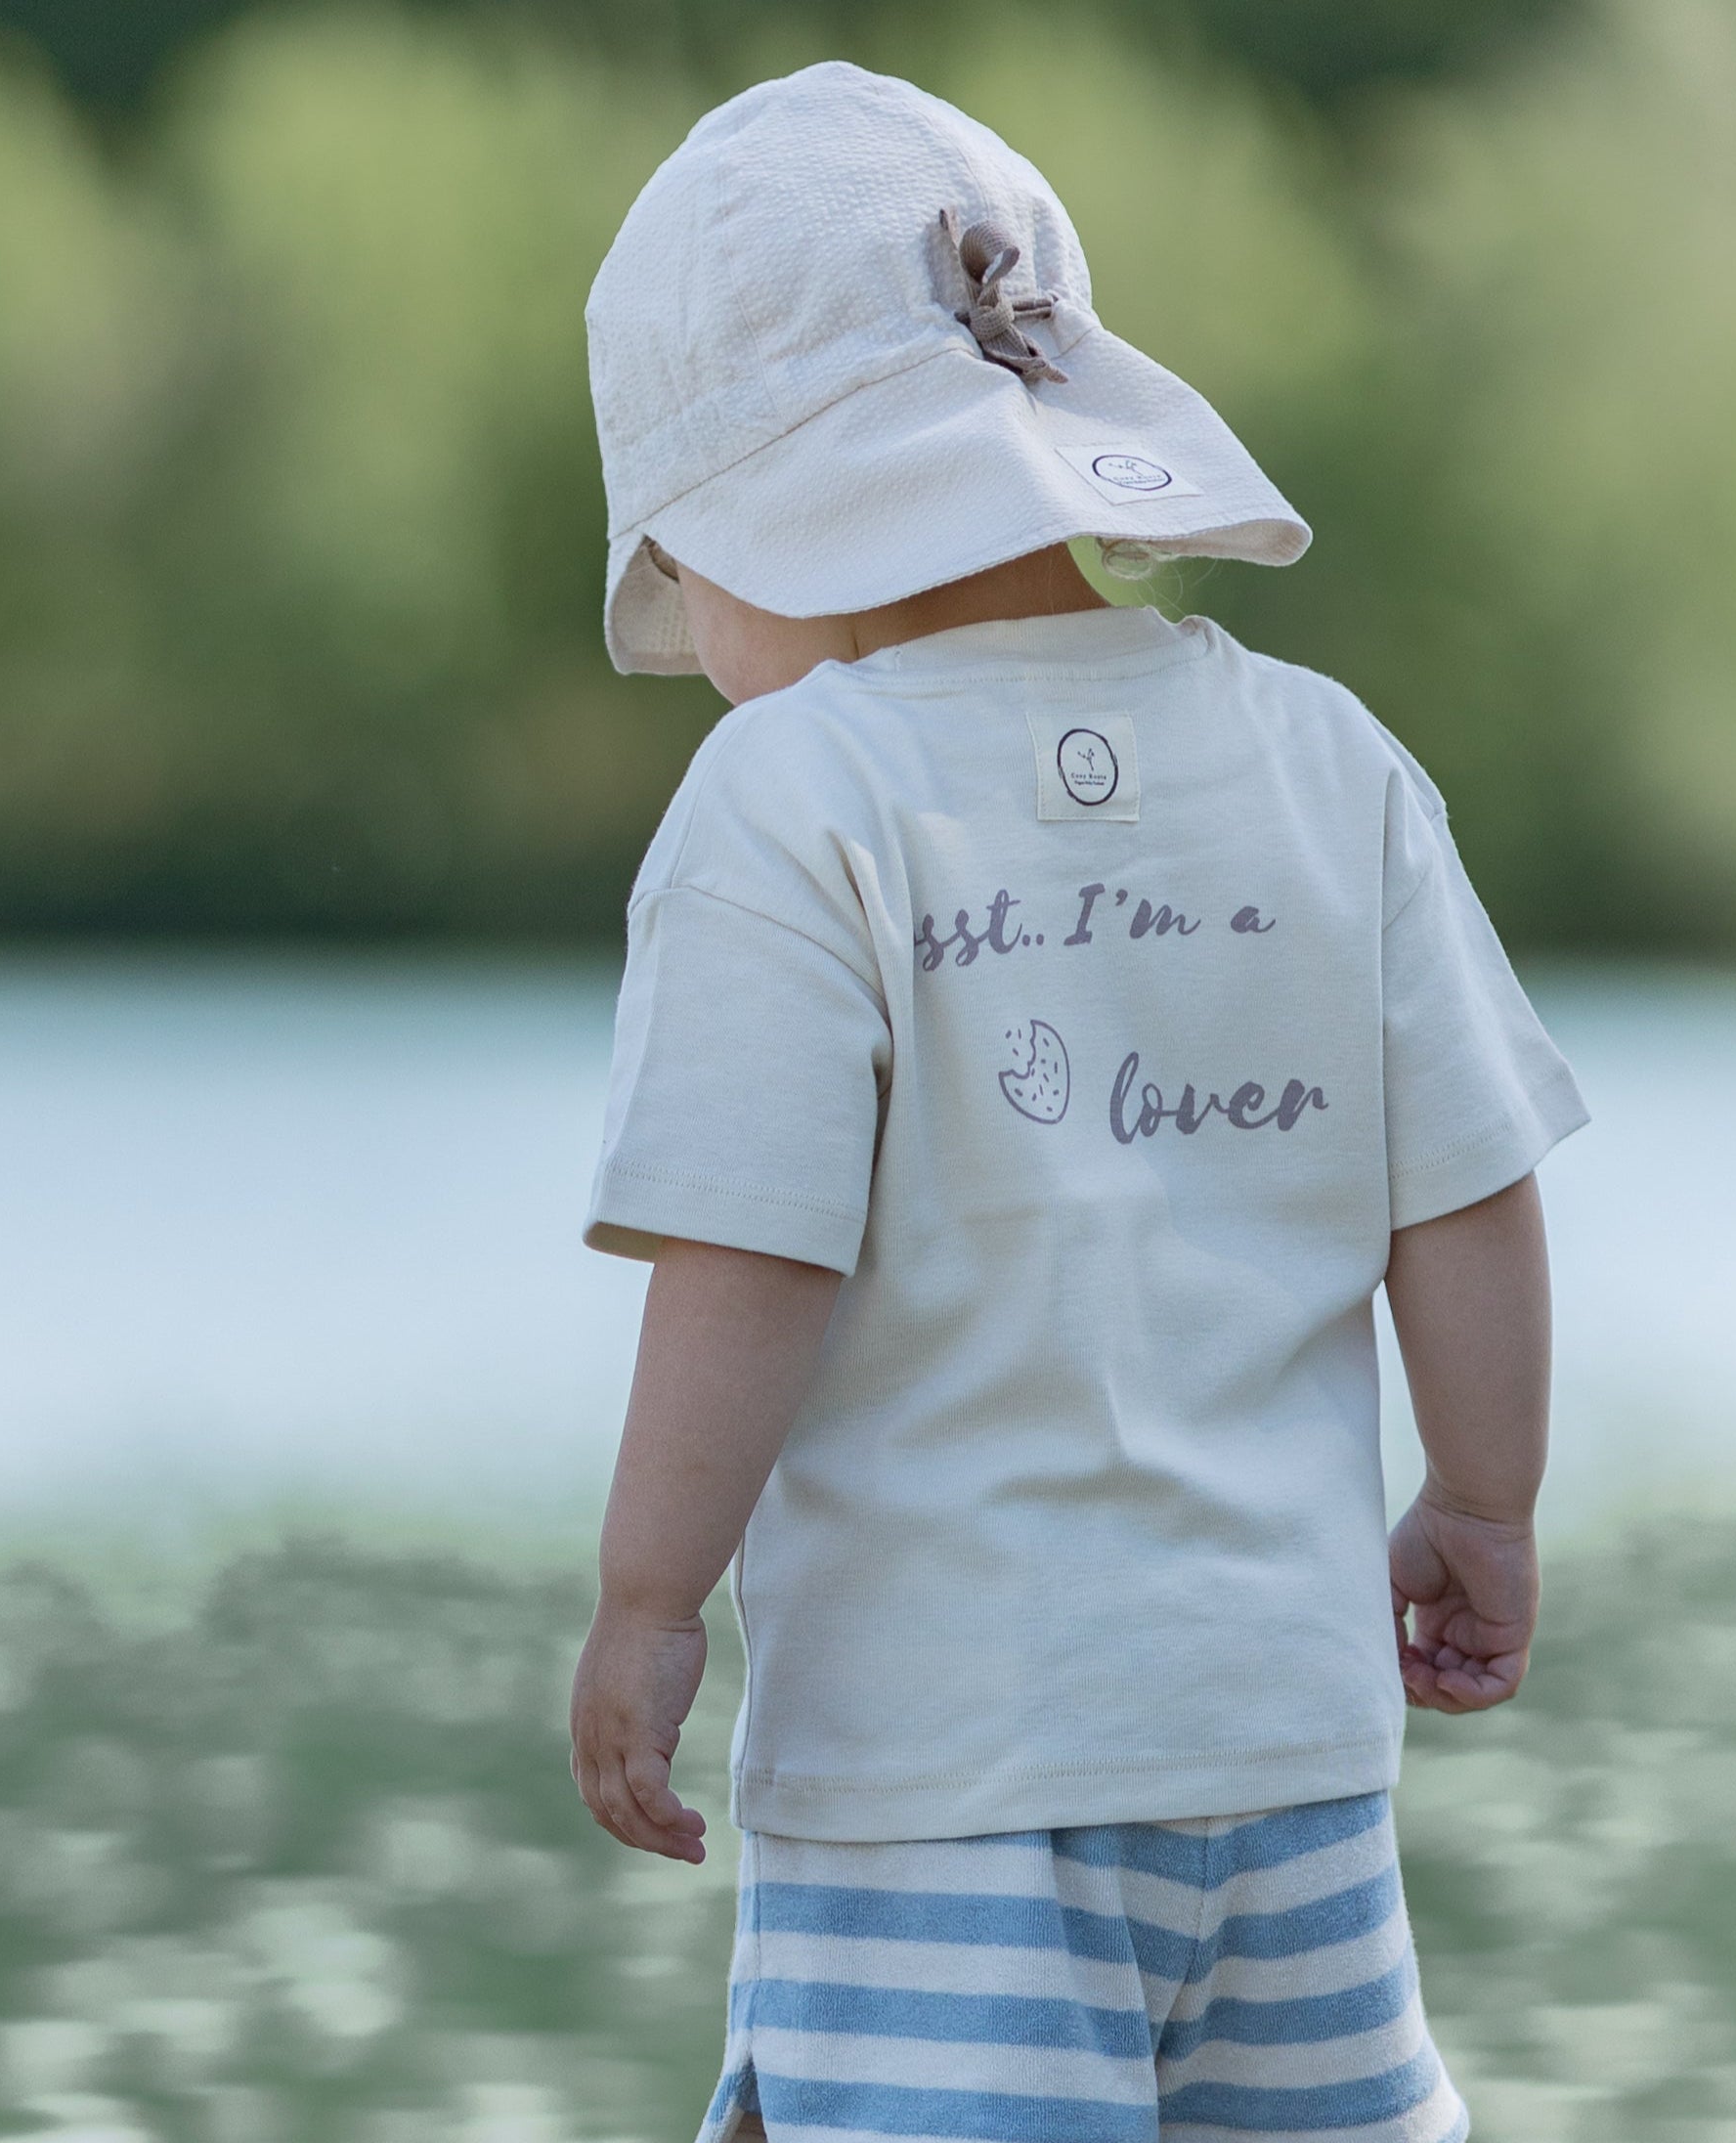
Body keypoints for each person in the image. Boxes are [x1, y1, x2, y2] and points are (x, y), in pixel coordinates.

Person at [568, 59, 1588, 2143]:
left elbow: (748, 1255)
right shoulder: (1325, 758)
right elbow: (1468, 1188)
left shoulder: (794, 797)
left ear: (764, 520)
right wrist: (1484, 1501)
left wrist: (650, 1602)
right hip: (1291, 1765)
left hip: (948, 1782)